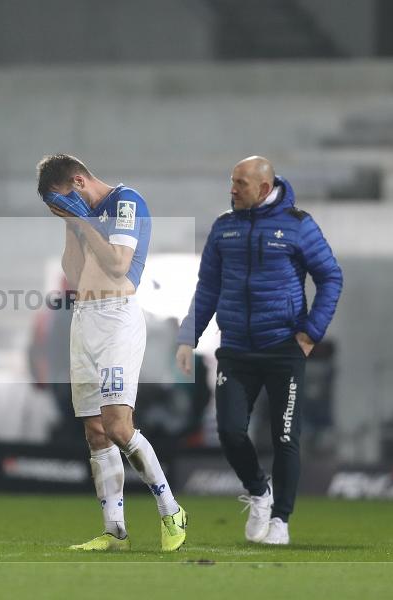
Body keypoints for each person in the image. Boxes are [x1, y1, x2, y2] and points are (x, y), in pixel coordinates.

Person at [176, 156, 342, 545]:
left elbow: (331, 276)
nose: (232, 189)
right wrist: (188, 337)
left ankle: (281, 521)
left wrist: (310, 334)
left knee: (285, 439)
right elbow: (207, 289)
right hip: (235, 348)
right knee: (230, 432)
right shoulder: (223, 228)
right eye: (231, 181)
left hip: (285, 349)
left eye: (240, 183)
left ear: (264, 189)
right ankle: (258, 491)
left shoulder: (299, 225)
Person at [37, 154, 187, 552]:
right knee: (94, 431)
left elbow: (119, 265)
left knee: (119, 425)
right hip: (83, 318)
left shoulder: (125, 202)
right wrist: (72, 226)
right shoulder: (83, 217)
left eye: (64, 200)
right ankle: (114, 531)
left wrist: (83, 220)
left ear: (79, 182)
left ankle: (171, 509)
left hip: (117, 318)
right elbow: (73, 273)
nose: (65, 209)